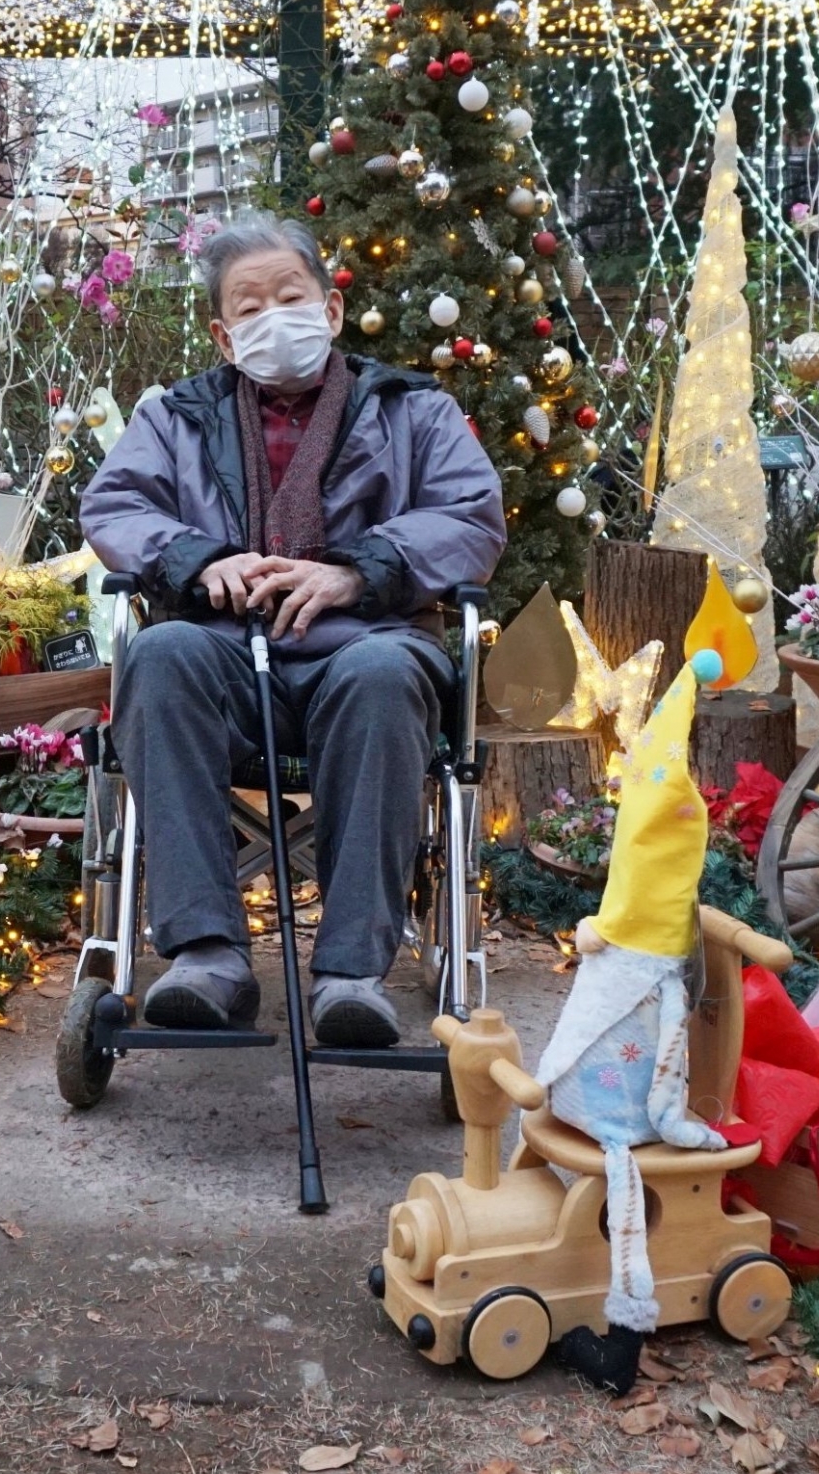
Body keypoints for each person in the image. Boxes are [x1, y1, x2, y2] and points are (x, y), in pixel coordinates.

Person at [78, 213, 507, 1047]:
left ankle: (350, 974)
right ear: (223, 333)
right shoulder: (176, 416)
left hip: (367, 647)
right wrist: (198, 559)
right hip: (226, 655)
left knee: (382, 674)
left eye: (290, 295)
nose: (273, 316)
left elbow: (473, 519)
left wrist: (356, 570)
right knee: (159, 653)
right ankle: (207, 959)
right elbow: (115, 504)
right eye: (249, 306)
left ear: (331, 309)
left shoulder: (414, 409)